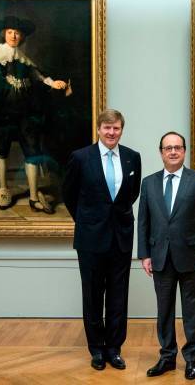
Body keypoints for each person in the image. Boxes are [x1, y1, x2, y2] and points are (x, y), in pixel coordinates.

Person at [0, 15, 70, 213]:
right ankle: (3, 189)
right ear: (3, 35)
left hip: (25, 115)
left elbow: (38, 76)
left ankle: (34, 197)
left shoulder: (24, 60)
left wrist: (53, 83)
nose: (14, 35)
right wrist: (4, 84)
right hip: (2, 115)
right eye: (10, 32)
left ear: (22, 36)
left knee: (32, 150)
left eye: (17, 32)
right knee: (1, 148)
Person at [62, 109, 141, 371]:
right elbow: (69, 195)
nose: (111, 133)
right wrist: (88, 221)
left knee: (119, 296)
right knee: (93, 295)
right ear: (98, 129)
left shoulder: (132, 158)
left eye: (116, 128)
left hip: (121, 239)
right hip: (90, 240)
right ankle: (96, 350)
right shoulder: (80, 157)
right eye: (107, 128)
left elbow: (131, 194)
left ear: (121, 130)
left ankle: (114, 349)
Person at [137, 131, 195, 380]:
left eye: (177, 148)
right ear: (161, 152)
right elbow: (144, 222)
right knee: (164, 311)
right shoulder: (148, 183)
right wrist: (144, 255)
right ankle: (167, 357)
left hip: (190, 256)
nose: (172, 151)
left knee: (192, 310)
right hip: (159, 256)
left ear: (184, 151)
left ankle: (191, 359)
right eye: (168, 148)